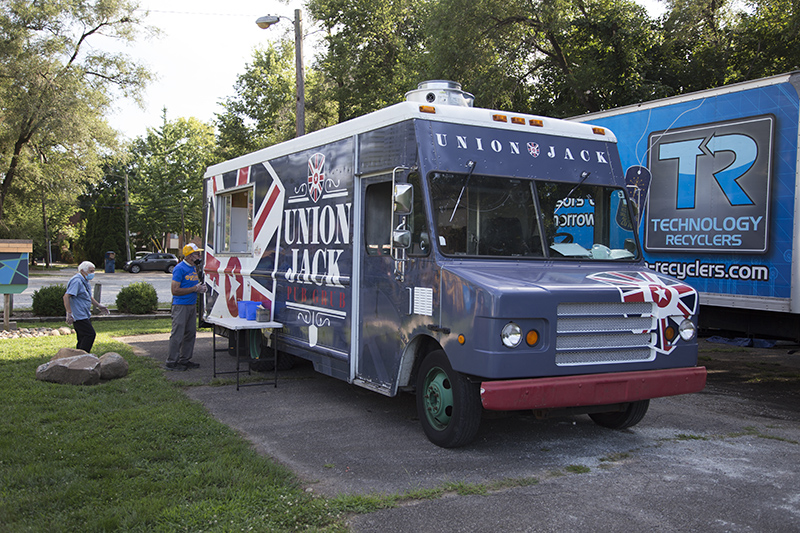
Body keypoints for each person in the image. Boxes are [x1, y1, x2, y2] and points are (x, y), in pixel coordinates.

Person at [166, 242, 207, 371]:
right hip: (180, 306)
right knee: (177, 334)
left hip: (191, 305)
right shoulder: (180, 268)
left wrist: (200, 289)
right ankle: (172, 361)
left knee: (190, 334)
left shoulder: (193, 268)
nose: (199, 255)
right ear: (189, 256)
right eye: (197, 253)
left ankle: (185, 359)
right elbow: (175, 290)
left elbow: (193, 286)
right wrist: (194, 288)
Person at [63, 261, 109, 353]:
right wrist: (69, 313)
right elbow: (66, 296)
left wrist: (98, 305)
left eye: (93, 271)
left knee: (82, 337)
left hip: (84, 314)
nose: (93, 273)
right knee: (90, 334)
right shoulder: (77, 281)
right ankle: (83, 356)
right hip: (78, 315)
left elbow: (88, 296)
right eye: (91, 271)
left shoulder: (85, 281)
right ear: (82, 271)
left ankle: (78, 356)